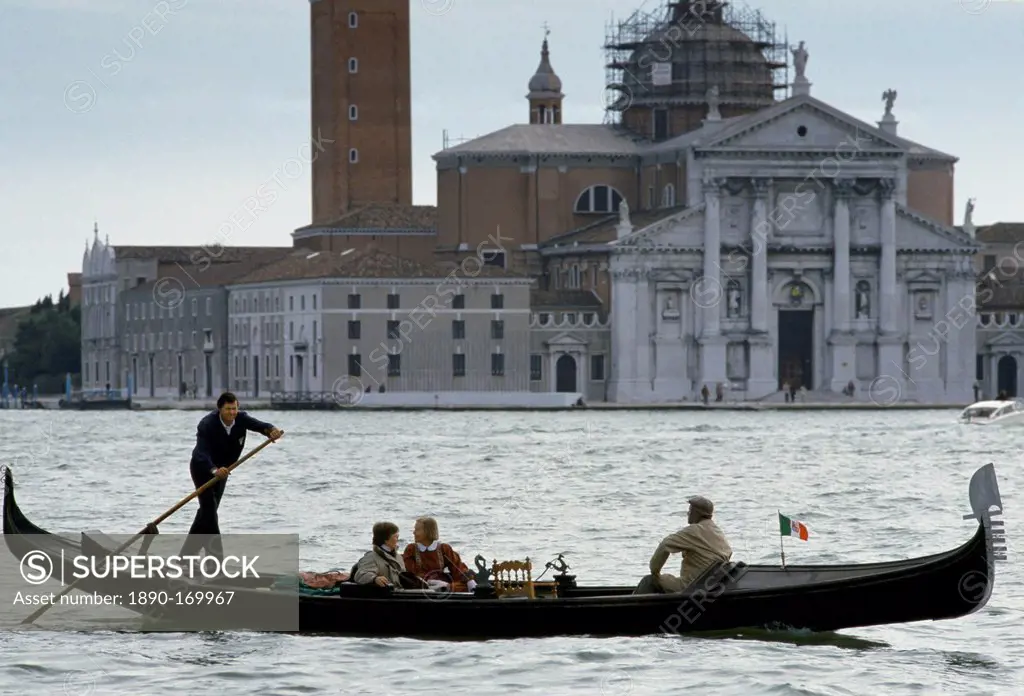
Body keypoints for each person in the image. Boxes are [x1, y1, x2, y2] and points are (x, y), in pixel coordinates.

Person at [179, 391, 283, 560]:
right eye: (228, 409)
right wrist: (214, 470)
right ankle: (216, 562)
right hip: (203, 470)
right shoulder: (207, 424)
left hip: (224, 471)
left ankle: (185, 558)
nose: (232, 413)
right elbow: (201, 453)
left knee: (206, 514)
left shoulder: (241, 418)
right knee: (209, 511)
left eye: (234, 409)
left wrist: (271, 430)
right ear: (220, 409)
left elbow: (261, 426)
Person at [633, 495, 732, 594]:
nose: (688, 513)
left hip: (691, 587)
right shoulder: (718, 532)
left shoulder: (695, 530)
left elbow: (665, 545)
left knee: (649, 581)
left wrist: (655, 571)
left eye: (690, 510)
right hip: (709, 585)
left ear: (697, 513)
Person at [402, 517, 477, 592]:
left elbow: (457, 568)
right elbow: (411, 573)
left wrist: (468, 580)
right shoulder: (411, 549)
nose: (414, 532)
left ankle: (446, 588)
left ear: (427, 531)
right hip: (421, 586)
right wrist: (430, 582)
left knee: (466, 584)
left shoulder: (444, 548)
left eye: (417, 530)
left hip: (443, 584)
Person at [353, 522, 407, 587]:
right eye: (396, 536)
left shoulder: (399, 557)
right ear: (386, 539)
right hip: (384, 594)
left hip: (400, 593)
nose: (398, 540)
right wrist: (375, 579)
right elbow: (360, 575)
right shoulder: (370, 558)